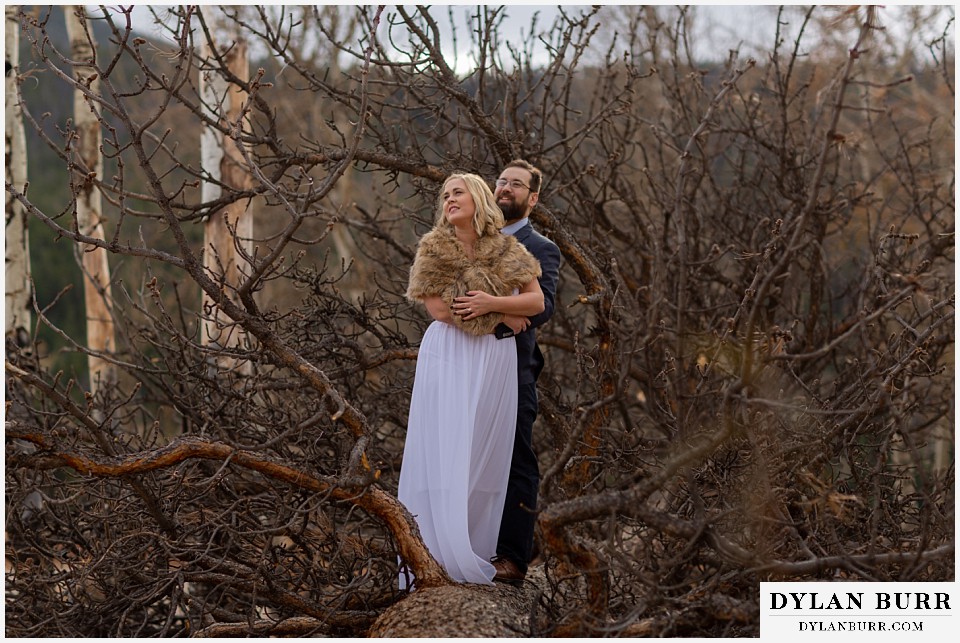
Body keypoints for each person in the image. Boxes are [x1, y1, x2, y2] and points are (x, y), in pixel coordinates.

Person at [399, 172, 545, 587]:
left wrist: (490, 301)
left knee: (487, 452)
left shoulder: (505, 247)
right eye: (445, 195)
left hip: (493, 359)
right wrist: (504, 314)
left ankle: (477, 549)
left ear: (478, 199)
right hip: (450, 354)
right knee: (446, 449)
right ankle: (436, 553)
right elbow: (441, 311)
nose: (449, 199)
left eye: (457, 192)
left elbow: (536, 300)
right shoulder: (434, 247)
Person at [473, 159, 561, 586]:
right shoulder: (472, 239)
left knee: (516, 462)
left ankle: (511, 557)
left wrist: (495, 312)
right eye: (501, 182)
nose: (505, 188)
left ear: (533, 198)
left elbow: (542, 308)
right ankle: (466, 546)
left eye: (516, 184)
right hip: (467, 367)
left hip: (513, 369)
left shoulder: (540, 246)